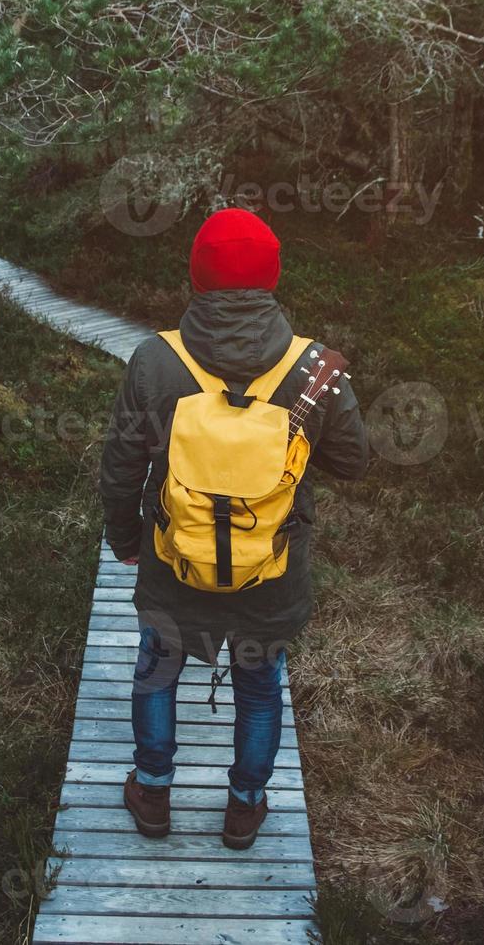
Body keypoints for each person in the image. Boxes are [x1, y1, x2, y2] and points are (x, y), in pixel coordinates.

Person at [98, 207, 370, 849]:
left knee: (157, 671)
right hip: (271, 569)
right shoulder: (315, 369)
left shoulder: (153, 359)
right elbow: (355, 462)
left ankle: (153, 793)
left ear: (198, 276)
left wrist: (127, 541)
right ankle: (245, 807)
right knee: (258, 684)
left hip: (174, 560)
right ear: (272, 276)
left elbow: (119, 469)